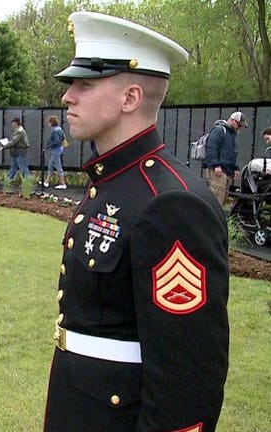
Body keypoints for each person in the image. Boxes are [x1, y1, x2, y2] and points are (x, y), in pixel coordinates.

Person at [44, 11, 229, 432]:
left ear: (129, 98)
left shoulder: (172, 204)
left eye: (84, 84)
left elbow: (188, 377)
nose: (68, 97)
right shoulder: (110, 184)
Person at [202, 111, 248, 205]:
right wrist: (216, 165)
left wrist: (235, 168)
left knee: (222, 199)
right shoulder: (219, 130)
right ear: (232, 120)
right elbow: (211, 148)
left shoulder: (232, 134)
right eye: (239, 125)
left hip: (227, 171)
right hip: (217, 171)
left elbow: (230, 153)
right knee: (216, 199)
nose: (239, 128)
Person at [1, 117, 30, 182]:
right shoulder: (17, 130)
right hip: (16, 151)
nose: (12, 124)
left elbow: (14, 141)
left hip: (19, 151)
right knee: (13, 167)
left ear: (16, 123)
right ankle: (8, 180)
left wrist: (4, 146)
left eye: (13, 123)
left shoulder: (20, 131)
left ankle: (27, 181)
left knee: (23, 167)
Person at [44, 115, 68, 189]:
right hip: (59, 149)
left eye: (49, 122)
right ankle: (46, 181)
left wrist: (49, 146)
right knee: (51, 165)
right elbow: (62, 138)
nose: (48, 124)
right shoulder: (59, 129)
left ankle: (63, 184)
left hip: (56, 150)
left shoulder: (55, 131)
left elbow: (56, 141)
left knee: (58, 166)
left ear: (51, 123)